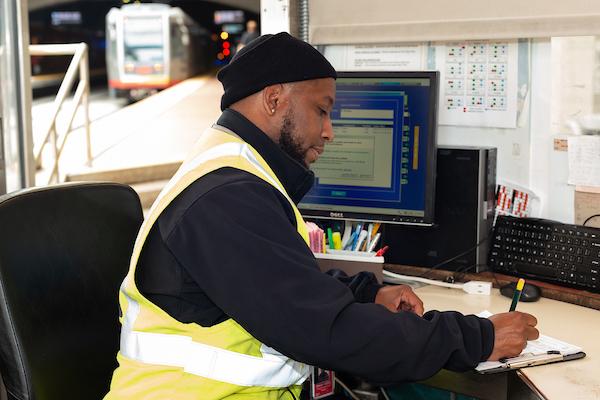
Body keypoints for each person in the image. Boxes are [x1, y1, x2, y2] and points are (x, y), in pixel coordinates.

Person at [104, 32, 539, 399]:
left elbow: (276, 281)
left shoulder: (236, 172)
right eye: (323, 110)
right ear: (274, 100)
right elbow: (327, 330)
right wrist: (477, 339)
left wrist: (368, 294)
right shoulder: (227, 195)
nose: (329, 130)